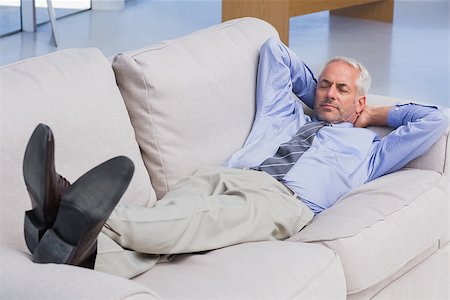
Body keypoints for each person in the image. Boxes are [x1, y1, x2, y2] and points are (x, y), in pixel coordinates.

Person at [23, 38, 448, 278]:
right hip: (226, 173)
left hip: (282, 200)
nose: (330, 93)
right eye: (325, 84)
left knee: (195, 222)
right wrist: (316, 96)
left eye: (342, 90)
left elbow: (435, 119)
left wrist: (372, 115)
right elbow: (274, 52)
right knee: (177, 226)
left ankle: (71, 205)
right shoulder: (284, 112)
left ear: (360, 99)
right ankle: (77, 254)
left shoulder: (371, 149)